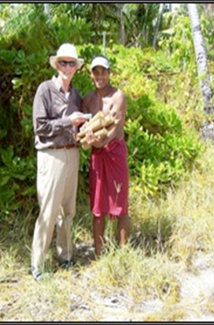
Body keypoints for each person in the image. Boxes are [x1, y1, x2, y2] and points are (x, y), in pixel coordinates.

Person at [31, 43, 88, 281]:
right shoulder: (44, 90)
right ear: (56, 65)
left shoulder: (76, 95)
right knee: (49, 210)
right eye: (63, 62)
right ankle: (38, 264)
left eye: (71, 63)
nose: (67, 67)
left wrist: (87, 130)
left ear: (76, 68)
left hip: (72, 154)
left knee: (68, 210)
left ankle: (65, 257)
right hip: (51, 155)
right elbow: (40, 128)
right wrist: (68, 121)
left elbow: (80, 126)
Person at [81, 55, 130, 256]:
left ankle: (123, 252)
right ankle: (100, 254)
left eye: (103, 71)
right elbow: (84, 127)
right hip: (97, 155)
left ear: (109, 73)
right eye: (96, 72)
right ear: (91, 75)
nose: (100, 75)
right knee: (98, 204)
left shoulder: (118, 96)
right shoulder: (88, 99)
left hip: (114, 152)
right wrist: (87, 138)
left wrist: (97, 141)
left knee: (121, 203)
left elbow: (114, 127)